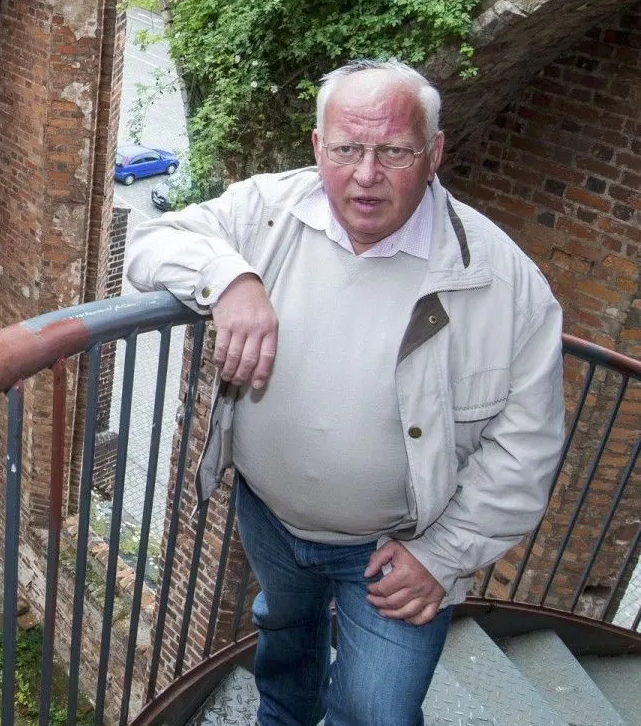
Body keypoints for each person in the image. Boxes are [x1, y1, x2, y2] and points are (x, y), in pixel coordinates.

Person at [125, 59, 565, 726]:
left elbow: (526, 449)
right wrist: (230, 278)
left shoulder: (506, 283)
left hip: (399, 550)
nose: (366, 174)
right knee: (285, 644)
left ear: (434, 154)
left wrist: (441, 556)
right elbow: (151, 242)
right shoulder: (266, 213)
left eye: (394, 151)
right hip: (271, 518)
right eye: (347, 149)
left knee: (377, 711)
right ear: (317, 147)